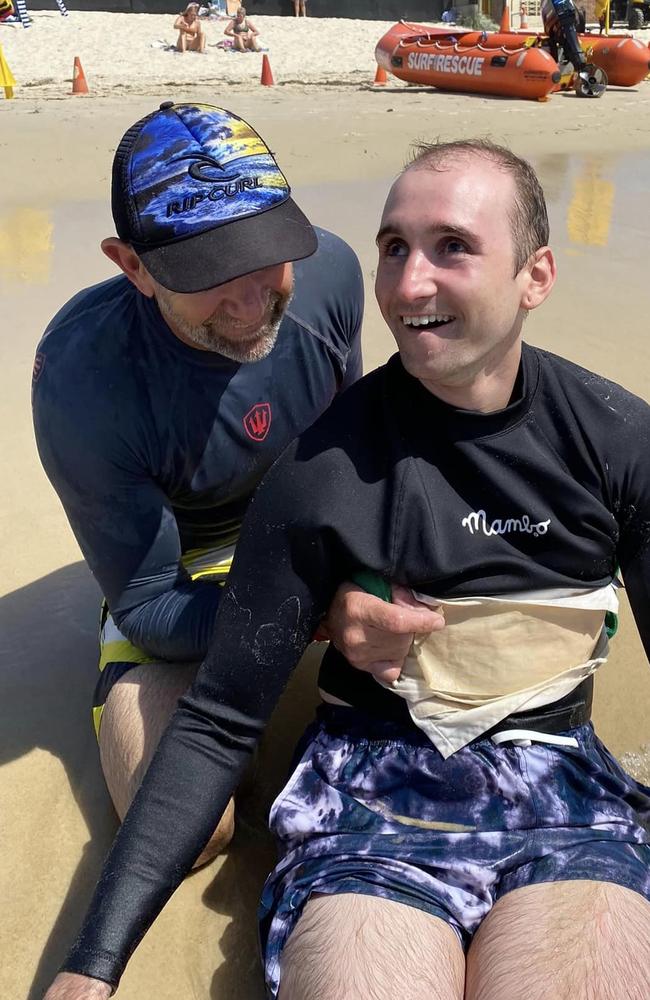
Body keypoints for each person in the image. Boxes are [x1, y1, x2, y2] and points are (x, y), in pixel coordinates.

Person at [44, 139, 650, 1000]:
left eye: (452, 246)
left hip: (563, 788)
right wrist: (90, 965)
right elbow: (219, 720)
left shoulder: (621, 442)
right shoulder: (316, 469)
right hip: (370, 793)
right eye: (394, 247)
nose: (406, 286)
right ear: (135, 271)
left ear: (537, 275)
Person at [33, 100, 438, 873]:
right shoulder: (84, 378)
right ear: (134, 266)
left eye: (266, 258)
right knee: (193, 835)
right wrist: (315, 611)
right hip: (172, 563)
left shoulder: (329, 275)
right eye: (210, 277)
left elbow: (346, 456)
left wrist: (358, 569)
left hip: (292, 519)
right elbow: (151, 603)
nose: (252, 304)